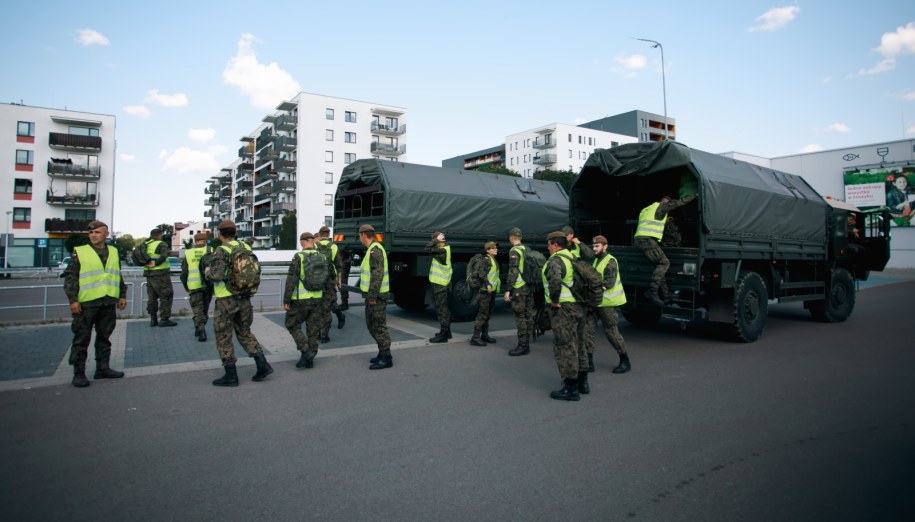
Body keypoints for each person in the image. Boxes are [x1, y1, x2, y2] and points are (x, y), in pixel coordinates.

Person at [205, 220, 273, 386]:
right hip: (244, 298)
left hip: (226, 300)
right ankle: (262, 364)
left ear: (220, 234)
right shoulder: (246, 247)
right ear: (235, 232)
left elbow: (216, 276)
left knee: (223, 336)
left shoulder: (222, 250)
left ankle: (231, 375)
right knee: (244, 331)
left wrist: (207, 271)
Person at [63, 220, 127, 388]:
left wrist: (122, 295)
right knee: (81, 339)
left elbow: (117, 275)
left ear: (106, 234)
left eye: (97, 232)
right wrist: (73, 300)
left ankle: (102, 368)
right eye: (91, 233)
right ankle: (78, 373)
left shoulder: (113, 251)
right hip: (86, 304)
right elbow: (70, 277)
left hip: (107, 302)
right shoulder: (81, 252)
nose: (93, 235)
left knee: (104, 338)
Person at [543, 231, 588, 401]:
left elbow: (555, 281)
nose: (547, 247)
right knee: (579, 344)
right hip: (578, 307)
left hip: (563, 308)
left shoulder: (556, 260)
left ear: (555, 244)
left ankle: (570, 389)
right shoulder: (572, 257)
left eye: (549, 244)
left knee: (565, 347)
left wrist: (554, 300)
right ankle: (583, 383)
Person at [634, 194, 697, 306]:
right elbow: (680, 202)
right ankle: (652, 291)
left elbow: (651, 220)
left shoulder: (648, 208)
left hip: (640, 239)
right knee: (664, 263)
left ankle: (666, 293)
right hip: (647, 240)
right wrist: (694, 196)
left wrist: (666, 219)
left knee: (659, 266)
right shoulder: (663, 206)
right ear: (667, 202)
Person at [585, 235, 631, 373]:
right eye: (593, 246)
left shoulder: (610, 261)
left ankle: (625, 360)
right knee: (588, 330)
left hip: (607, 303)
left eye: (597, 246)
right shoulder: (597, 261)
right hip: (595, 303)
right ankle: (589, 361)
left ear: (605, 246)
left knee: (611, 332)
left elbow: (608, 283)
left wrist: (591, 288)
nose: (594, 248)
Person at [284, 232, 325, 369]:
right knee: (313, 329)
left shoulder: (299, 257)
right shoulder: (322, 256)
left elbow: (291, 280)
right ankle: (310, 358)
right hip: (318, 298)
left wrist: (287, 299)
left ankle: (306, 350)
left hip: (301, 300)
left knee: (292, 324)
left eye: (300, 241)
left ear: (303, 242)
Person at [359, 224, 393, 370]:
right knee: (372, 324)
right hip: (373, 295)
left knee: (378, 326)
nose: (359, 238)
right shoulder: (371, 250)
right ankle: (382, 352)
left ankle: (386, 357)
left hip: (377, 296)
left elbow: (376, 275)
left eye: (359, 235)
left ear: (364, 235)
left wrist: (372, 295)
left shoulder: (375, 251)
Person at [504, 227, 534, 356]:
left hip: (519, 287)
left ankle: (522, 345)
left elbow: (513, 271)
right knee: (528, 315)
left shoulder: (514, 251)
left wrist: (507, 290)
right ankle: (527, 342)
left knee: (520, 316)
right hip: (528, 286)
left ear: (511, 237)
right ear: (520, 237)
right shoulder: (526, 249)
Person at [180, 232, 214, 342]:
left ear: (195, 242)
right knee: (204, 309)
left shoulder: (188, 252)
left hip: (194, 286)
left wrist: (185, 285)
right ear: (205, 241)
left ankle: (201, 331)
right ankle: (199, 328)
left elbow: (184, 272)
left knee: (197, 310)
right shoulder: (210, 250)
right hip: (208, 285)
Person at [316, 225, 345, 341]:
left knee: (318, 308)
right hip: (329, 281)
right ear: (328, 235)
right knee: (327, 308)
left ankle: (318, 333)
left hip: (316, 281)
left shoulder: (314, 246)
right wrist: (339, 280)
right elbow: (339, 265)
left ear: (319, 234)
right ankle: (324, 335)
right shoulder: (334, 247)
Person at [143, 228, 177, 327]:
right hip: (161, 274)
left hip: (149, 274)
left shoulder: (146, 244)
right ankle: (164, 319)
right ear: (159, 235)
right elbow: (164, 255)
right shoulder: (161, 244)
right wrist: (156, 263)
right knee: (166, 295)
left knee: (152, 298)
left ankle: (153, 319)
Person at [470, 242, 500, 346]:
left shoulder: (493, 259)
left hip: (492, 291)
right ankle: (475, 337)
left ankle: (485, 335)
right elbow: (481, 273)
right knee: (482, 313)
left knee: (488, 313)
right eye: (493, 248)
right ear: (487, 250)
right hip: (485, 291)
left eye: (496, 248)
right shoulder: (486, 260)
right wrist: (487, 284)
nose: (496, 249)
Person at [425, 230, 453, 343]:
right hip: (442, 283)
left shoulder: (442, 251)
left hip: (440, 284)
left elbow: (427, 249)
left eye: (435, 240)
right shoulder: (445, 249)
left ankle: (443, 335)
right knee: (444, 308)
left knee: (442, 310)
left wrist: (436, 240)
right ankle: (448, 332)